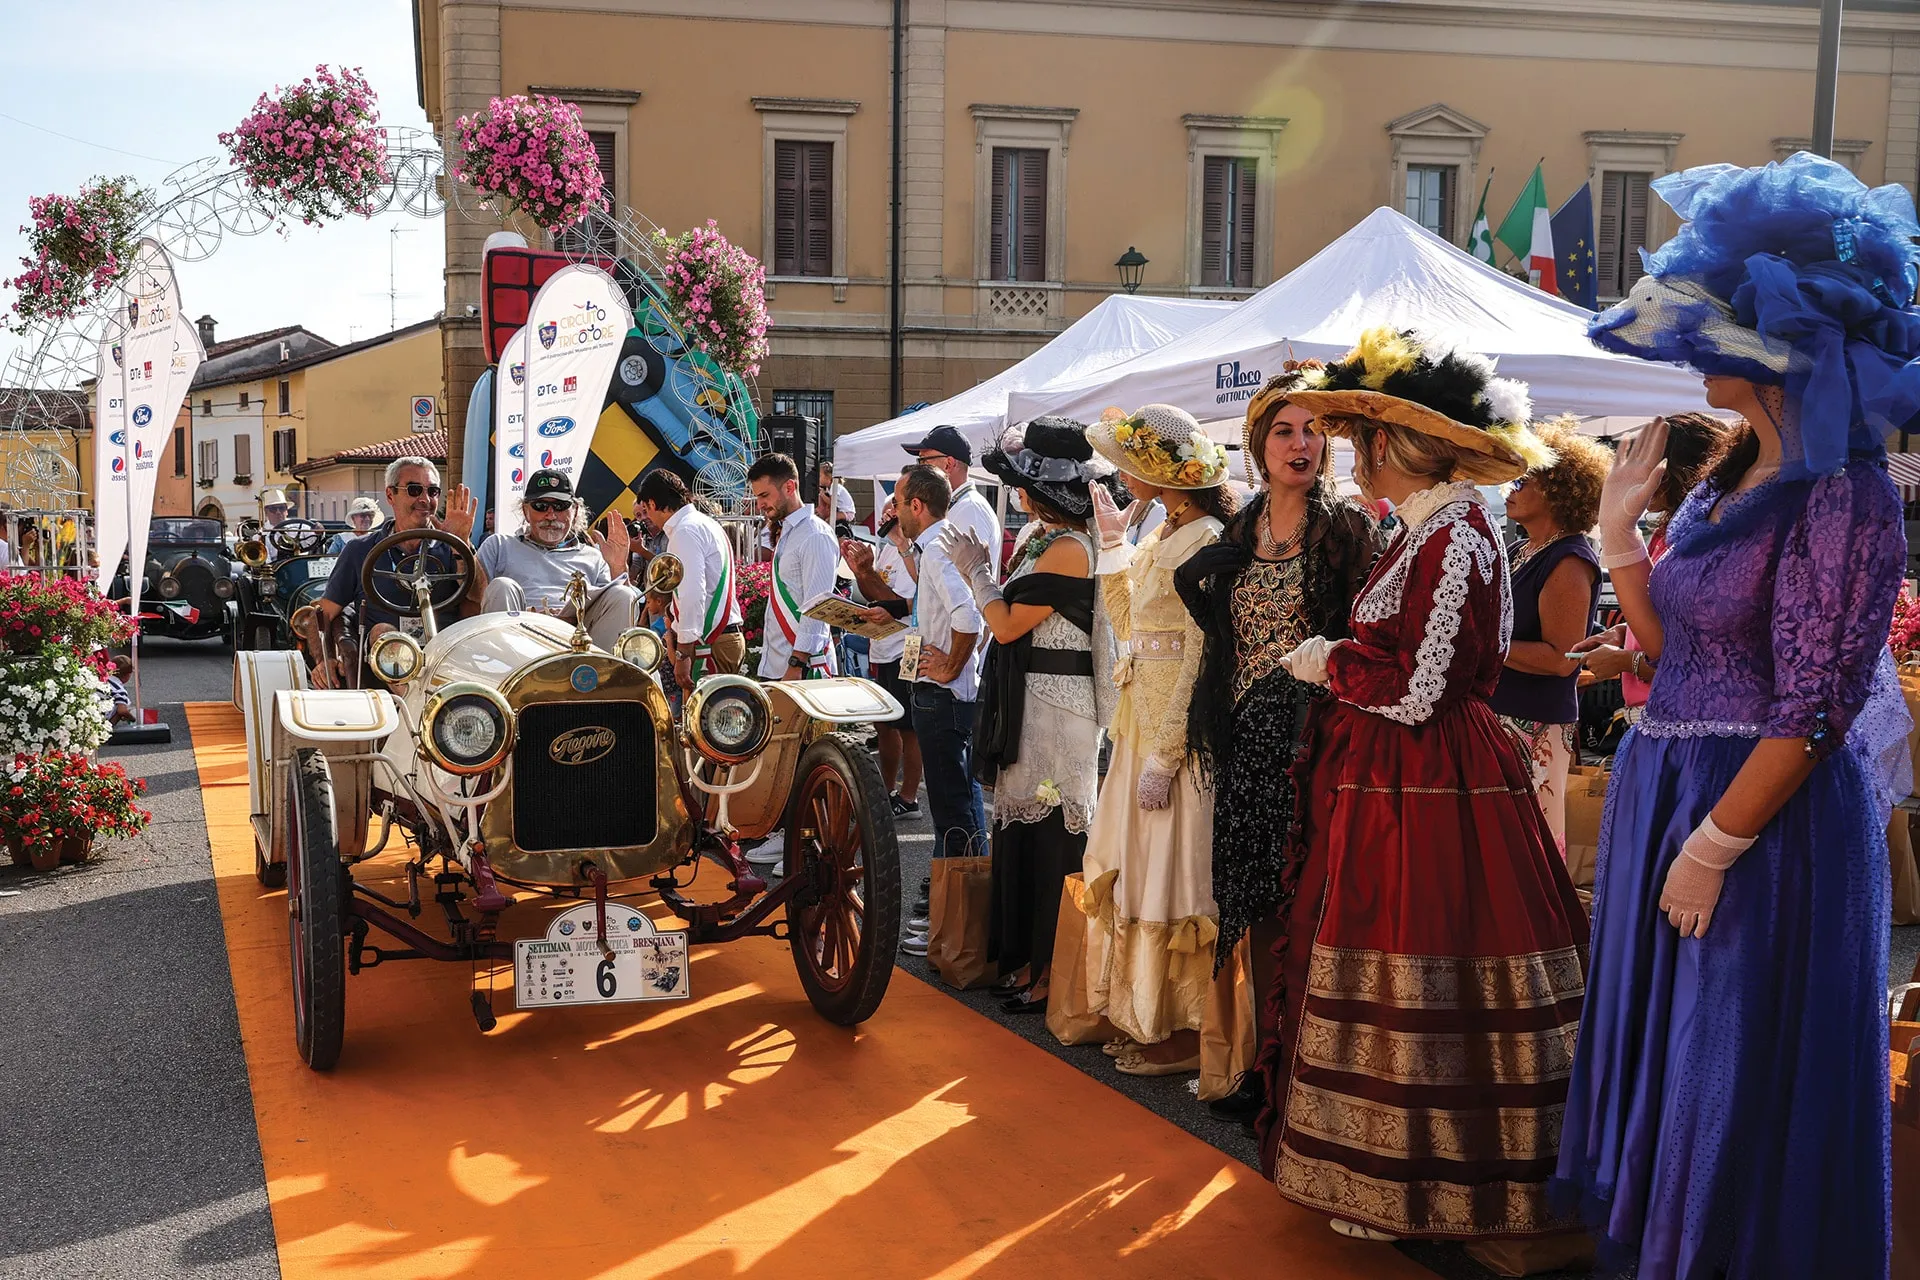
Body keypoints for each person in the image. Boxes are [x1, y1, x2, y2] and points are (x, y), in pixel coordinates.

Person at [1556, 152, 1918, 1280]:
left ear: (1779, 346)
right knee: (1673, 1062)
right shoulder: (1726, 477)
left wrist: (1717, 843)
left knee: (1732, 1062)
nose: (1689, 348)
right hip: (1673, 785)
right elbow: (1674, 657)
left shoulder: (1843, 494)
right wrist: (1621, 545)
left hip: (1766, 821)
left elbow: (1816, 700)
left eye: (1712, 329)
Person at [1259, 327, 1588, 1243]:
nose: (1355, 451)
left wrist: (1331, 664)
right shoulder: (1438, 526)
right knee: (1403, 948)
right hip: (1402, 775)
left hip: (1429, 776)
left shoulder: (1456, 530)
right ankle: (1380, 1170)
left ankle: (1421, 1181)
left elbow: (1418, 689)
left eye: (1364, 435)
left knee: (1424, 947)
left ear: (1393, 444)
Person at [1174, 367, 1385, 1124]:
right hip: (1242, 740)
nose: (1300, 444)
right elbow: (1232, 642)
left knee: (1305, 907)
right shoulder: (1240, 527)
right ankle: (1264, 1063)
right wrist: (1195, 591)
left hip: (1309, 748)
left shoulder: (1347, 528)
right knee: (1254, 905)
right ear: (1258, 445)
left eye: (1311, 431)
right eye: (1284, 431)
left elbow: (1369, 640)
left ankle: (1304, 1070)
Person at [1081, 404, 1234, 1076]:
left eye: (1128, 461)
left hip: (1174, 732)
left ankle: (1183, 1029)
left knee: (1175, 873)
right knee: (1142, 868)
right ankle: (1149, 1016)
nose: (1118, 472)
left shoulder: (1203, 537)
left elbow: (1202, 651)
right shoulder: (1162, 529)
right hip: (1139, 722)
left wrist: (1170, 752)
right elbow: (1126, 621)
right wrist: (1112, 543)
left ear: (1158, 470)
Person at [942, 417, 1110, 1015]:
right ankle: (1024, 962)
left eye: (1020, 484)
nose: (1015, 493)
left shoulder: (1068, 548)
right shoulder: (1047, 539)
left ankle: (1050, 969)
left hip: (1058, 706)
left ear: (1040, 493)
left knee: (1053, 837)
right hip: (1033, 699)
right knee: (1024, 829)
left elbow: (1007, 623)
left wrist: (976, 572)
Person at [1488, 418, 1610, 851]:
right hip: (1502, 717)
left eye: (1524, 478)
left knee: (1525, 847)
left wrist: (1482, 644)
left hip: (1532, 723)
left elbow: (1562, 658)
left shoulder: (1569, 558)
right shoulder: (1525, 549)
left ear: (1559, 486)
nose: (1510, 488)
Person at [1569, 412, 1732, 722]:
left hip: (1681, 714)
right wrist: (1621, 633)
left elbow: (1693, 654)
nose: (1637, 476)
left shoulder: (1701, 539)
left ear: (1672, 471)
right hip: (1655, 712)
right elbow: (1659, 617)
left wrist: (1625, 662)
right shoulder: (1663, 533)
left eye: (1649, 463)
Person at [895, 464, 985, 883]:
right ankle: (963, 909)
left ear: (917, 504)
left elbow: (969, 615)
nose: (895, 512)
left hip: (940, 695)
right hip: (945, 694)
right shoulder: (940, 542)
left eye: (897, 503)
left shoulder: (934, 548)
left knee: (952, 809)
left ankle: (954, 912)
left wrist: (950, 666)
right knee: (962, 802)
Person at [314, 456, 476, 687]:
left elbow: (479, 598)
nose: (425, 499)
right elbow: (322, 613)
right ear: (391, 495)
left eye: (433, 491)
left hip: (446, 651)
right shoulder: (359, 550)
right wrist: (325, 658)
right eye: (414, 490)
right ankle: (415, 708)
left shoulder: (452, 546)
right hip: (383, 660)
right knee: (383, 632)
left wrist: (462, 544)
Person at [473, 469, 637, 652]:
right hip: (517, 642)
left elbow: (623, 612)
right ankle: (504, 674)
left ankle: (606, 675)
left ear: (574, 511)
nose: (551, 516)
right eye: (541, 506)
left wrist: (618, 567)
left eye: (560, 506)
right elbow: (473, 600)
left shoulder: (594, 557)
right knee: (502, 585)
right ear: (525, 511)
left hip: (580, 643)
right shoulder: (499, 545)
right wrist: (461, 542)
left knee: (624, 594)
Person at [844, 473, 922, 817]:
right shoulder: (889, 551)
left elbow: (902, 604)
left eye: (895, 507)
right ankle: (886, 790)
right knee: (884, 724)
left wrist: (868, 574)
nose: (888, 513)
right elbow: (876, 594)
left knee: (908, 728)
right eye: (888, 507)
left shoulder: (915, 553)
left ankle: (909, 798)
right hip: (883, 646)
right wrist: (860, 571)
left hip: (906, 648)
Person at [635, 470, 744, 685]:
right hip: (720, 637)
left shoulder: (685, 531)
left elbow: (692, 593)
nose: (648, 517)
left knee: (700, 716)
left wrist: (683, 652)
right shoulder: (704, 523)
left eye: (646, 510)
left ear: (653, 503)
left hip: (709, 643)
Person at [748, 452, 839, 680]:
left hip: (803, 669)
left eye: (765, 495)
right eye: (757, 497)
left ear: (789, 487)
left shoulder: (815, 535)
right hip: (779, 665)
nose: (760, 505)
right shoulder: (788, 532)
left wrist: (796, 662)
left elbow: (818, 608)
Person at [902, 425, 999, 576]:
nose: (918, 469)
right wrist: (903, 542)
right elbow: (932, 579)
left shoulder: (970, 508)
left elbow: (966, 585)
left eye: (923, 461)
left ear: (948, 464)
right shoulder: (958, 505)